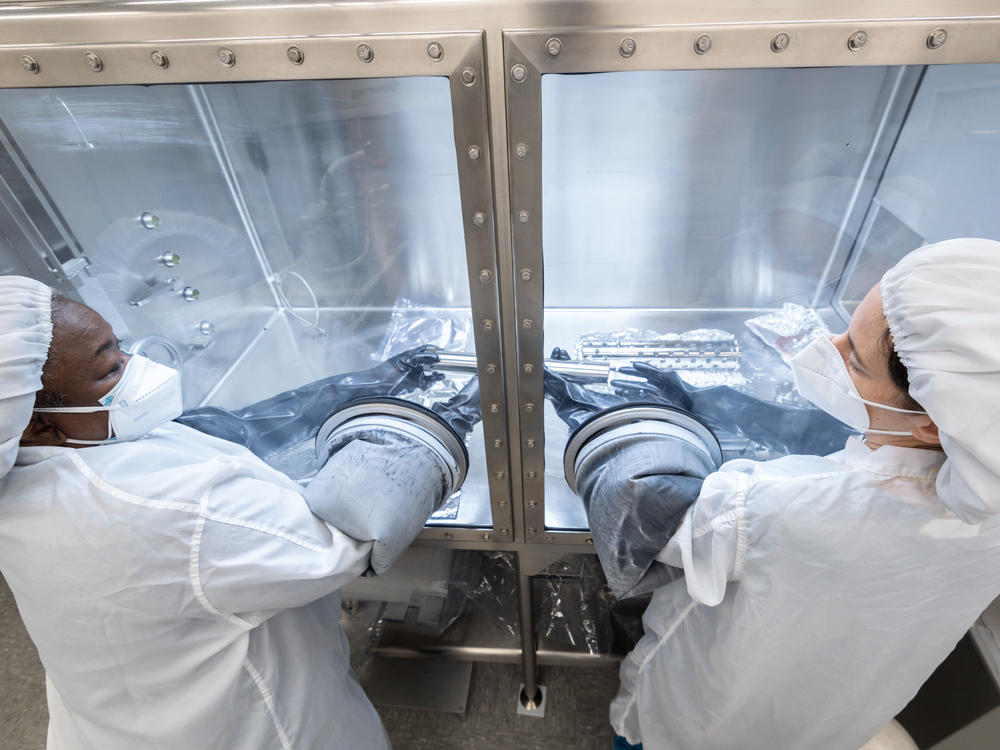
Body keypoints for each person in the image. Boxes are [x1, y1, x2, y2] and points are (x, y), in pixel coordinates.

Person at [551, 238, 1000, 749]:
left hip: (705, 719)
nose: (828, 347)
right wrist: (712, 402)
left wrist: (623, 424)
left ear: (932, 425)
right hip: (837, 717)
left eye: (854, 358)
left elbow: (650, 513)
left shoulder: (788, 506)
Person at [0, 276, 473, 749]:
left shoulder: (35, 458)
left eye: (121, 348)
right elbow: (350, 535)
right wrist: (444, 419)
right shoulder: (157, 507)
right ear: (38, 424)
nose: (138, 367)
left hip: (121, 718)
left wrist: (372, 382)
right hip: (236, 728)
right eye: (110, 370)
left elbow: (234, 430)